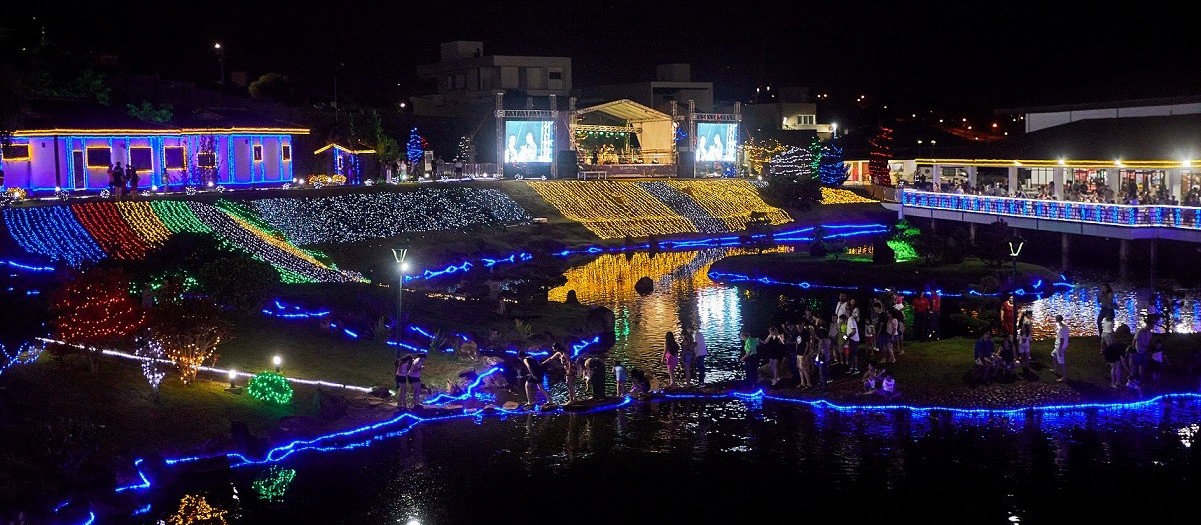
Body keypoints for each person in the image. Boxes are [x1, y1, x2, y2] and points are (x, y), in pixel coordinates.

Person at [1052, 314, 1069, 382]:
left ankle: (1064, 377)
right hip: (1063, 346)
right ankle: (1055, 369)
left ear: (1056, 320)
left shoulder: (1060, 329)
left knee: (1062, 362)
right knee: (1053, 354)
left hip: (1059, 347)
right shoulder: (1065, 327)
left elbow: (1061, 340)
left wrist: (1059, 349)